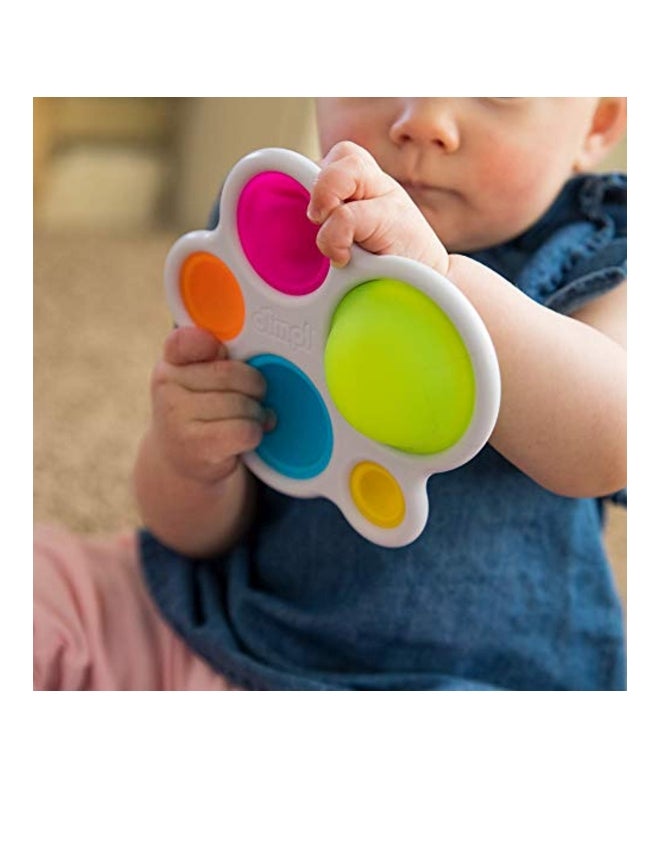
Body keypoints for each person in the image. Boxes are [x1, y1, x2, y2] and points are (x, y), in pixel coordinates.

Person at [34, 98, 627, 691]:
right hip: (227, 631)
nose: (422, 120)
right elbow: (190, 533)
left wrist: (439, 279)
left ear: (597, 124)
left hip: (467, 681)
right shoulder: (275, 220)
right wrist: (186, 456)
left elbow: (611, 445)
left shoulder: (605, 249)